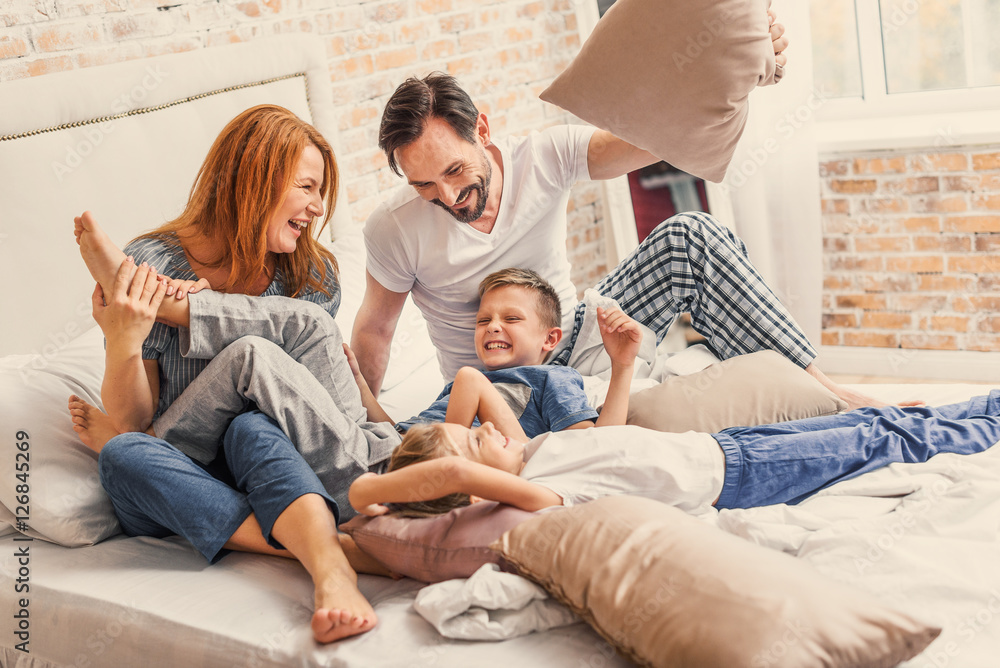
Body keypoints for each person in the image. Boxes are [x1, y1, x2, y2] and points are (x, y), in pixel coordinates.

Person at [348, 18, 906, 412]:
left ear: (483, 132)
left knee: (692, 236)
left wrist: (738, 73)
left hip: (576, 333)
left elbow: (650, 140)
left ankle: (825, 392)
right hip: (503, 381)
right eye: (423, 185)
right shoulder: (394, 229)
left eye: (453, 172)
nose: (446, 196)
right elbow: (375, 329)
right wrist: (366, 421)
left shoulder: (542, 157)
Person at [70, 104, 397, 643]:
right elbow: (132, 422)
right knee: (125, 455)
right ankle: (331, 545)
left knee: (251, 424)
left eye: (321, 193)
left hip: (278, 461)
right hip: (187, 469)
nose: (318, 208)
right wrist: (124, 340)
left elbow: (311, 406)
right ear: (258, 179)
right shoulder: (156, 263)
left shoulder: (311, 272)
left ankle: (331, 569)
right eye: (307, 187)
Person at [348, 393, 1000, 518]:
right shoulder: (542, 497)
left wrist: (460, 441)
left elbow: (472, 383)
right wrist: (364, 495)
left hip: (725, 447)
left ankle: (987, 404)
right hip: (741, 479)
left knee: (872, 419)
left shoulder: (530, 449)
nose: (485, 431)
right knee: (883, 442)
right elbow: (458, 473)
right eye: (472, 442)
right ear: (472, 489)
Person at [353, 267, 642, 440]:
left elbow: (593, 443)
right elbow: (401, 433)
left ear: (550, 338)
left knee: (468, 379)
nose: (492, 327)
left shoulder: (552, 378)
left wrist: (622, 366)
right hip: (400, 448)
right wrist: (358, 383)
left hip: (445, 458)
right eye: (483, 320)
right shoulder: (459, 387)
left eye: (511, 319)